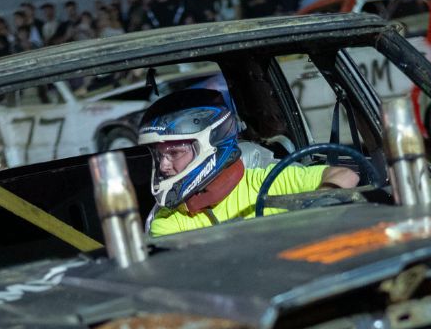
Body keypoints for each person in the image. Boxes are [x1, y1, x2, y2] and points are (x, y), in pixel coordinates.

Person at [139, 89, 357, 236]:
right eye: (159, 156)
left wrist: (320, 205)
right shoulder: (168, 222)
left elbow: (345, 176)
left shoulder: (264, 181)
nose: (163, 166)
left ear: (209, 145)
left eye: (174, 153)